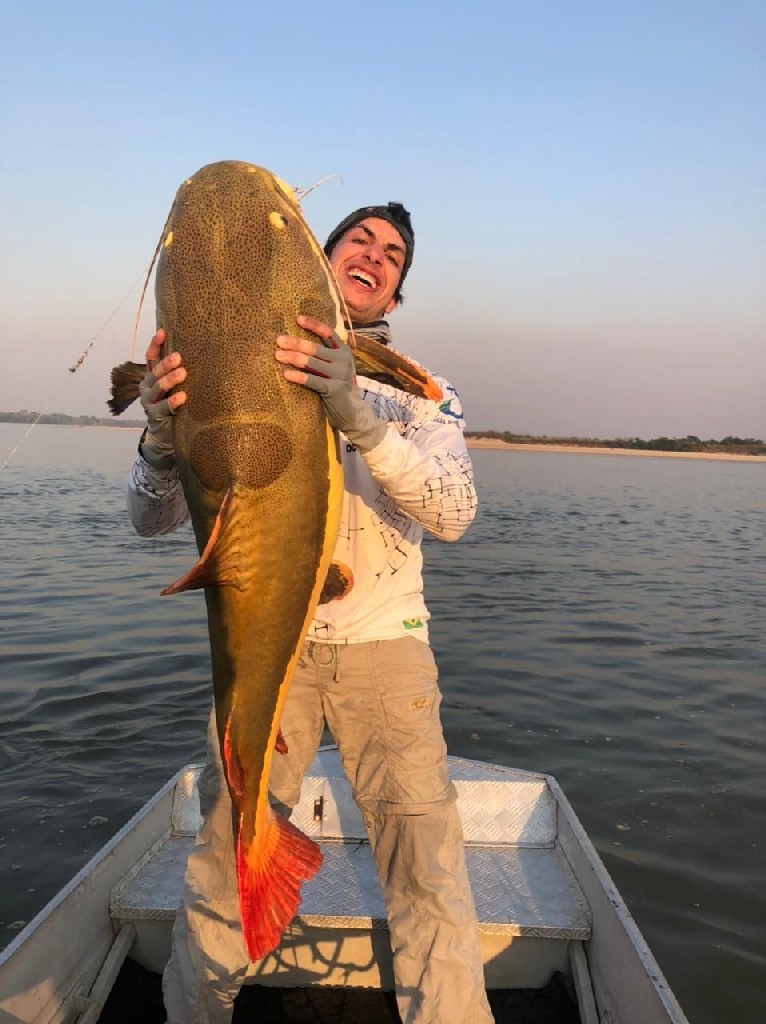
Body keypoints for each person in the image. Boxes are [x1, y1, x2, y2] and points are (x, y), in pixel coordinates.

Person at [126, 202, 493, 1024]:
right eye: (359, 239)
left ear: (393, 295)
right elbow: (150, 521)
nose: (375, 255)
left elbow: (455, 512)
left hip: (384, 650)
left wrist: (358, 413)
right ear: (319, 264)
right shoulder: (227, 365)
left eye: (393, 254)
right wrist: (158, 431)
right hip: (269, 656)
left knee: (427, 873)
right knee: (225, 858)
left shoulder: (423, 394)